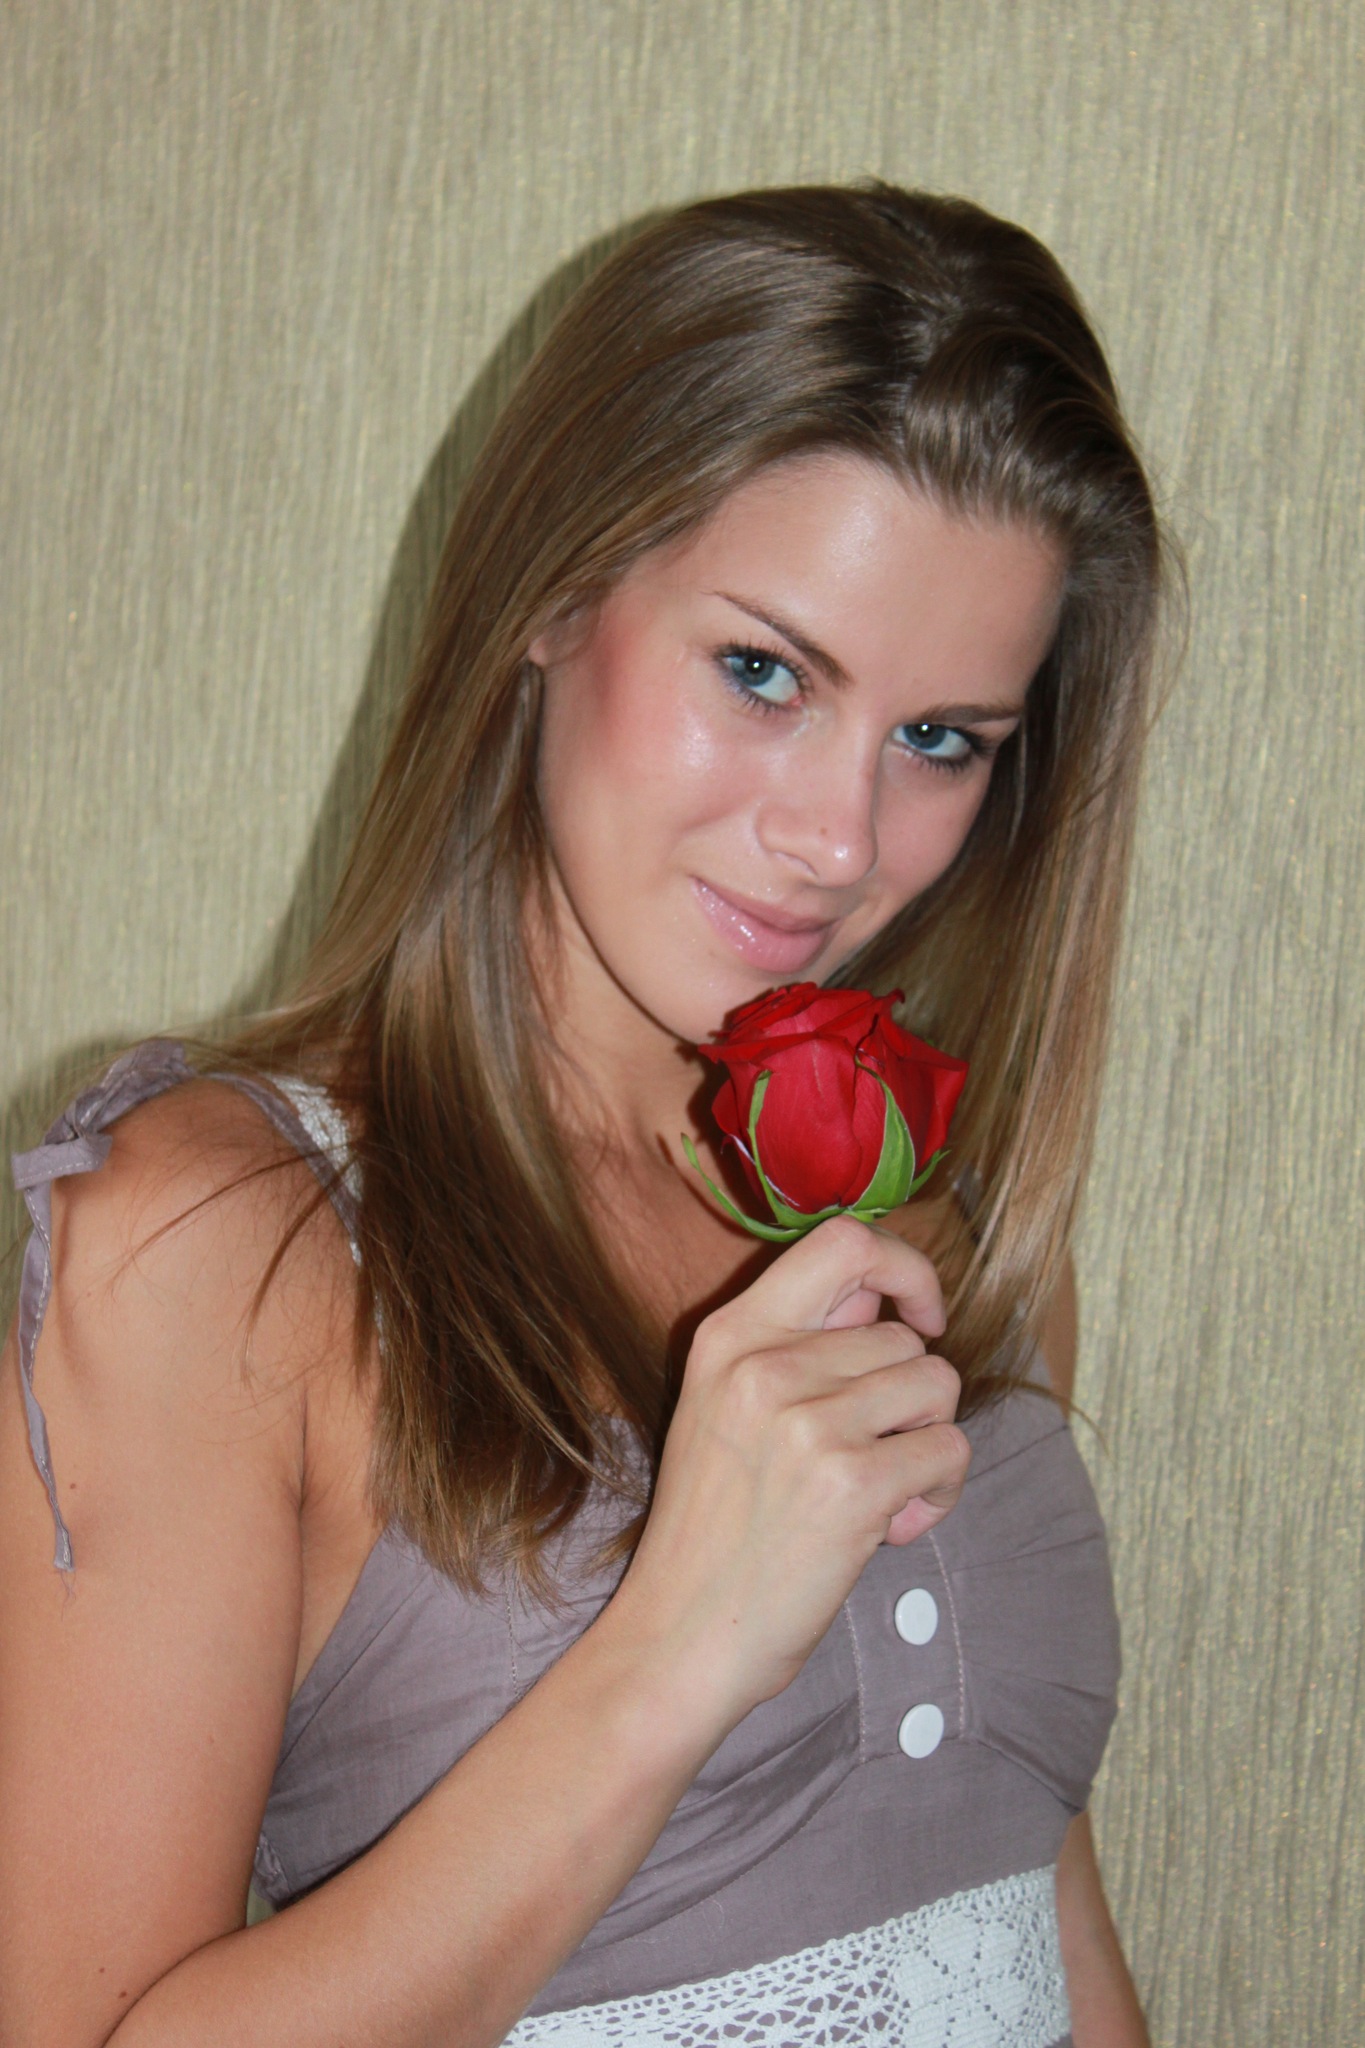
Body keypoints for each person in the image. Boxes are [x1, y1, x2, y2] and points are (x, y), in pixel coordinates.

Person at [0, 183, 1163, 2047]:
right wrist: (678, 1647)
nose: (838, 838)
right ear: (551, 594)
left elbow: (1036, 1914)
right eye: (763, 673)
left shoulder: (934, 1230)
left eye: (939, 739)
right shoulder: (211, 1241)